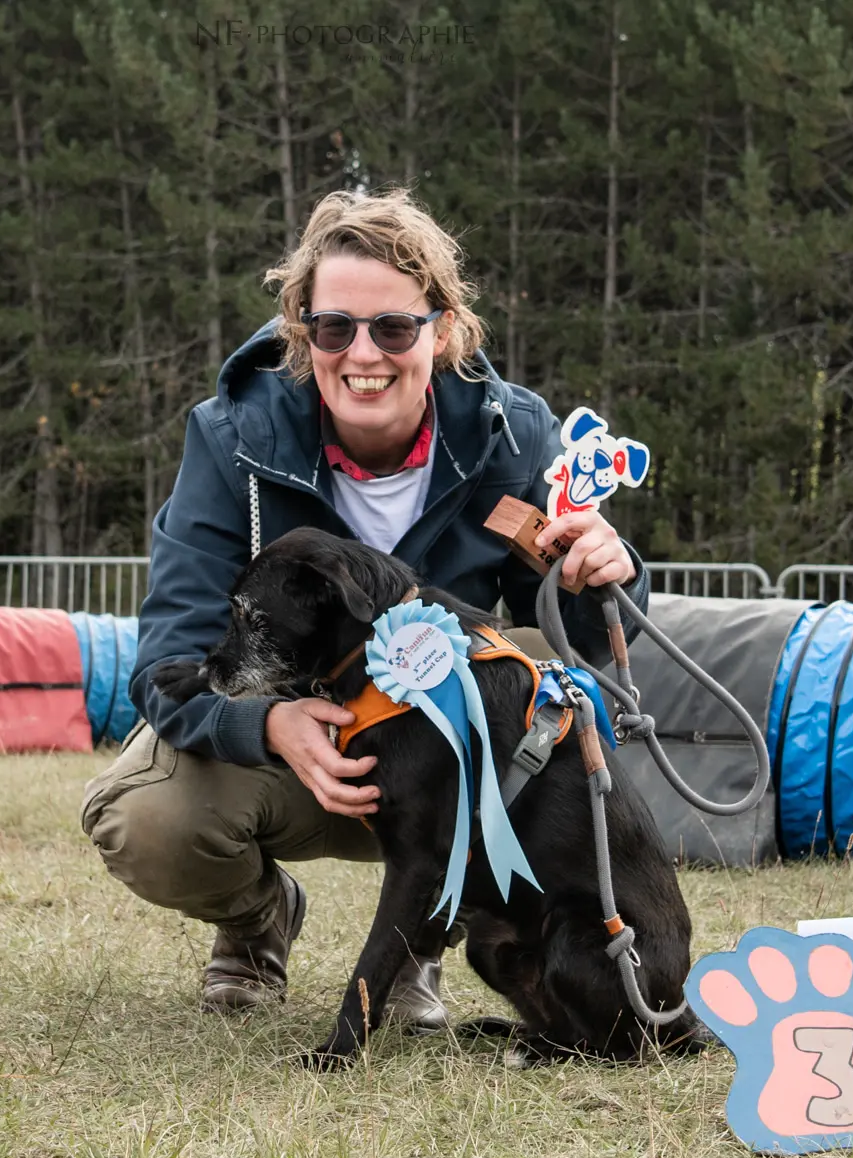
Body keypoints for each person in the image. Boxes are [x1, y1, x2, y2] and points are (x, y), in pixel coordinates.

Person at [80, 187, 651, 1025]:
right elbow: (168, 662)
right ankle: (254, 923)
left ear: (442, 329)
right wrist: (268, 725)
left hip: (445, 771)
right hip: (300, 752)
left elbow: (583, 640)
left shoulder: (517, 433)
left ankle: (432, 936)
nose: (363, 354)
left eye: (394, 328)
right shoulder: (229, 438)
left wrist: (610, 574)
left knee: (534, 666)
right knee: (143, 819)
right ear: (301, 331)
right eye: (334, 327)